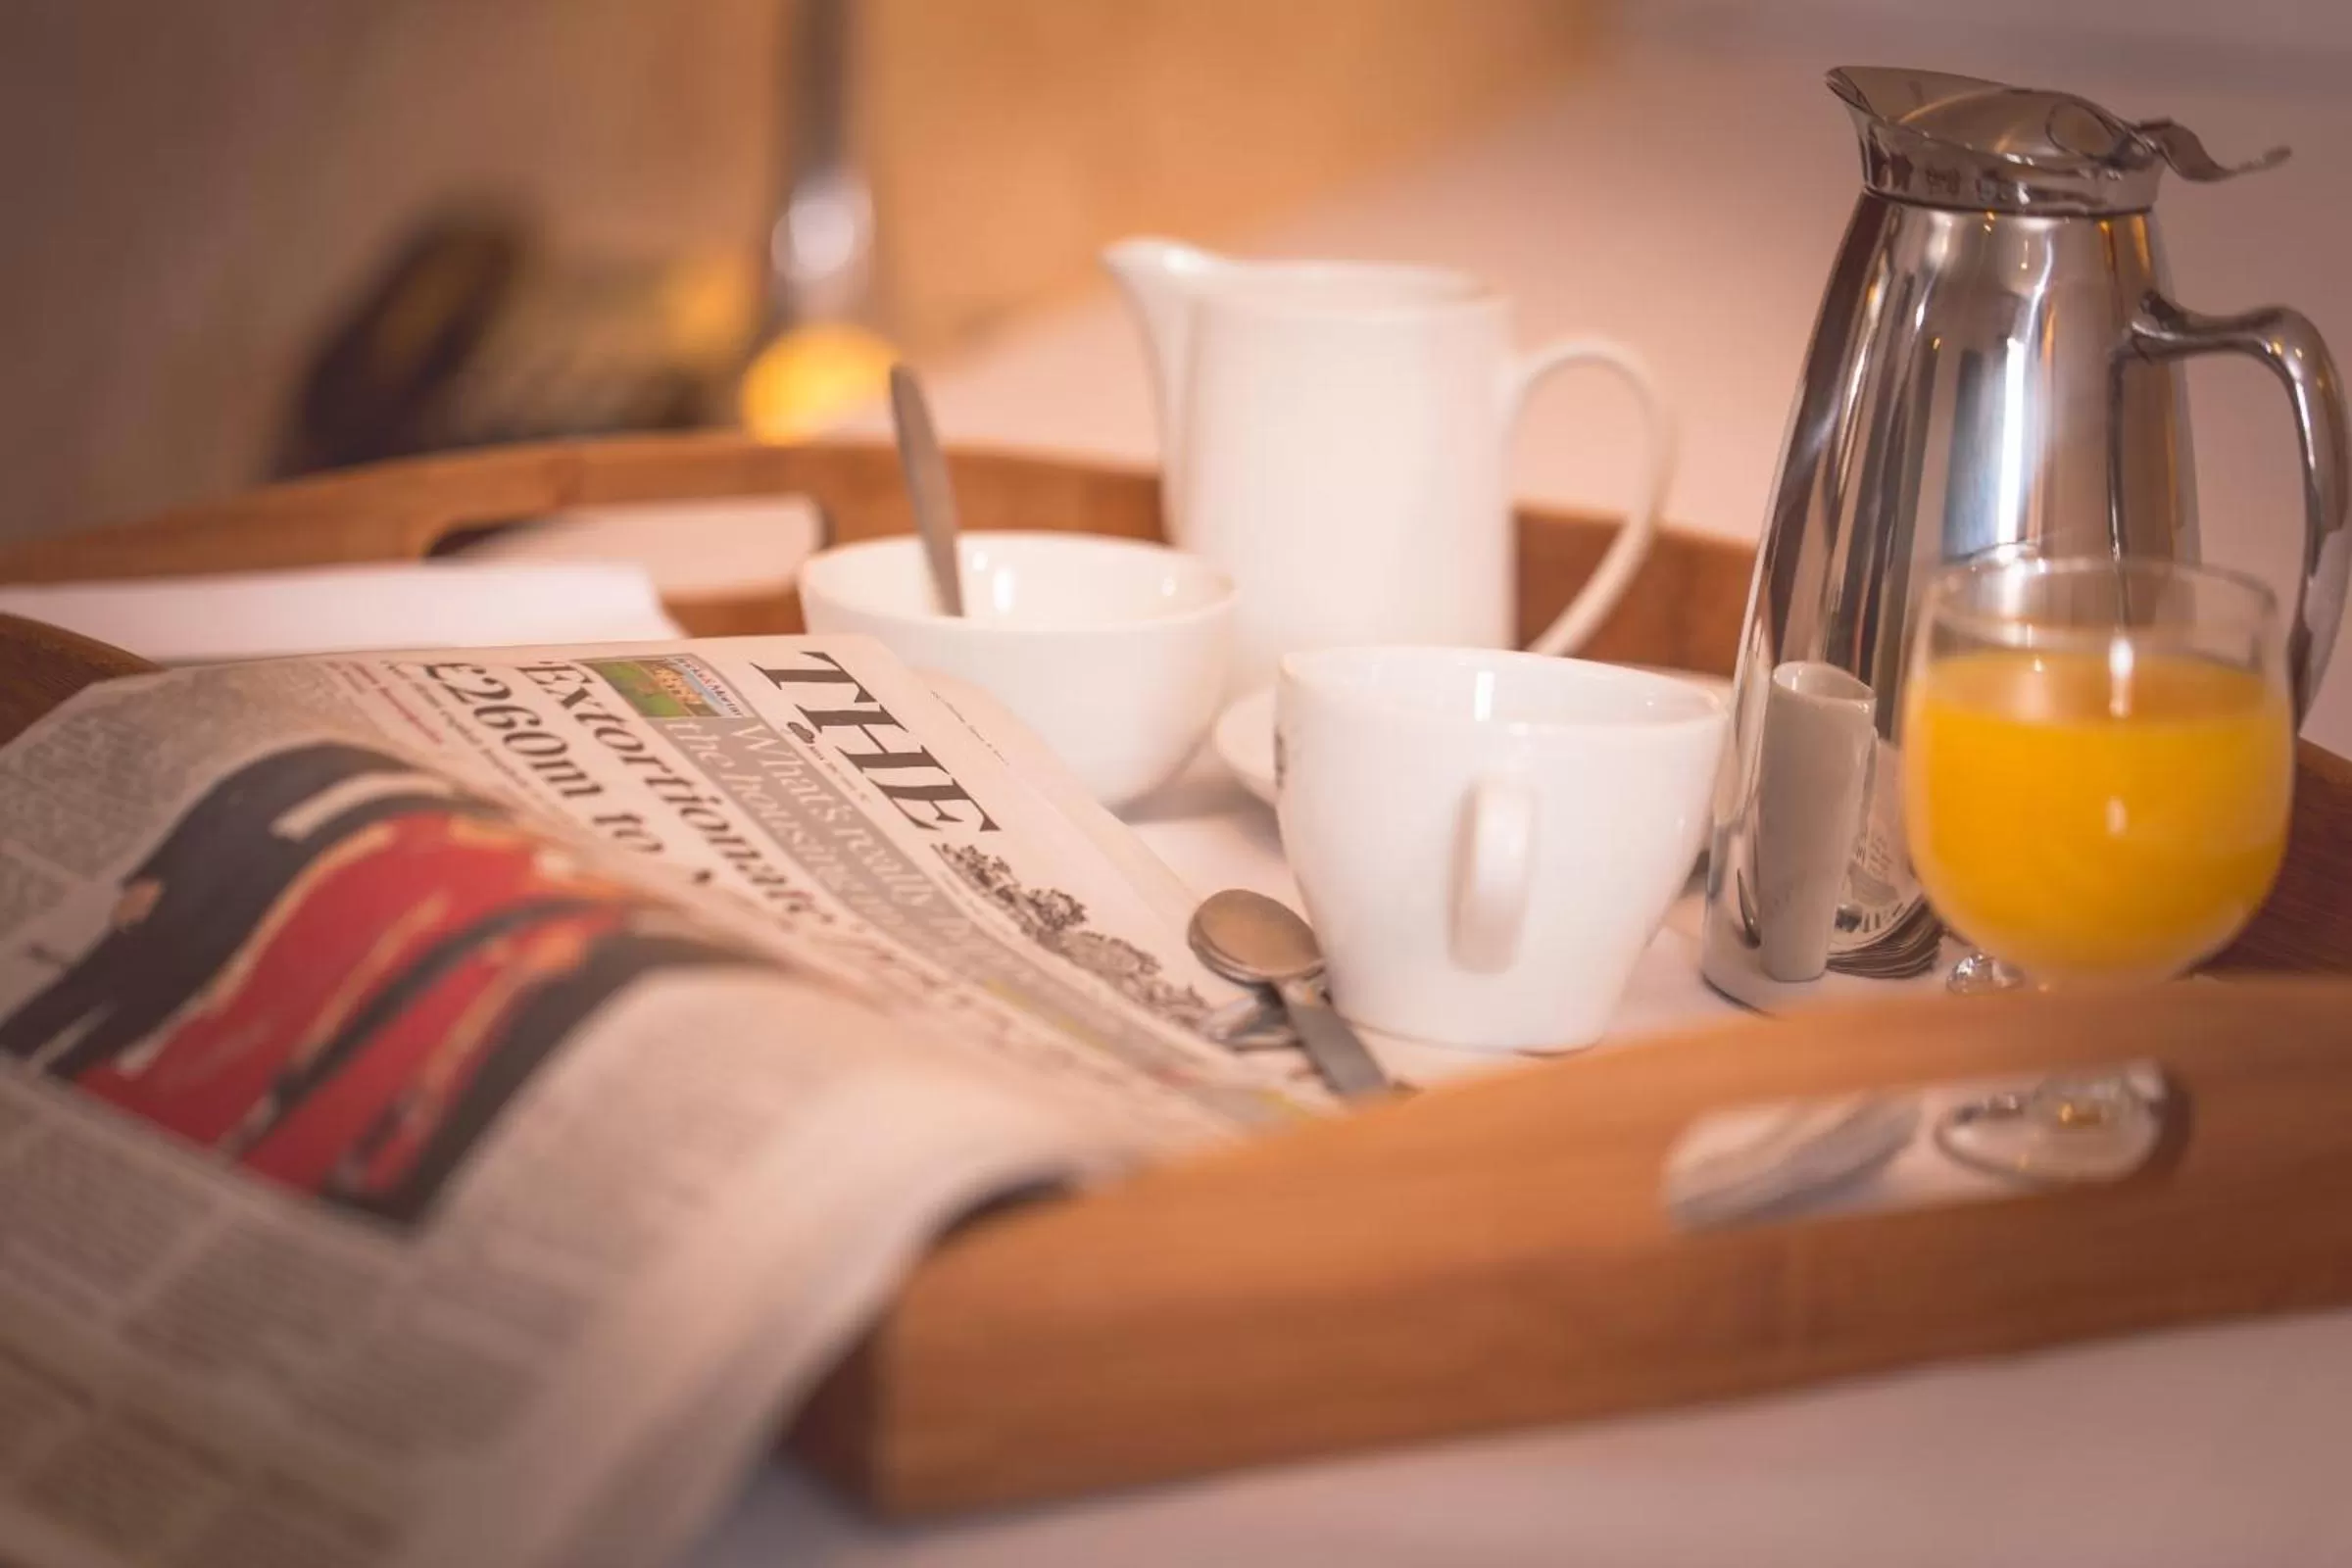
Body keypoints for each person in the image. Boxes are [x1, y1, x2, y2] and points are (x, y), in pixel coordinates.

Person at [0, 741, 512, 1078]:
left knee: (156, 1003)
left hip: (266, 904)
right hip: (207, 875)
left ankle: (69, 1074)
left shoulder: (450, 811)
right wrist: (154, 872)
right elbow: (224, 797)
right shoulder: (337, 755)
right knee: (101, 975)